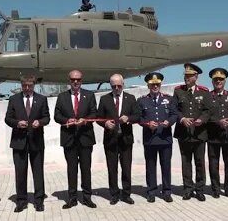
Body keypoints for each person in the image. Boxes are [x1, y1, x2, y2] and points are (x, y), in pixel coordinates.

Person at [5, 75, 50, 212]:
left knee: (38, 172)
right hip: (19, 142)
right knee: (20, 172)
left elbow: (46, 117)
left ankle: (39, 200)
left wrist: (40, 122)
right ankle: (21, 201)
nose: (27, 88)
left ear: (34, 85)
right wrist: (17, 123)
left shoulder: (42, 99)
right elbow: (8, 118)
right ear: (21, 85)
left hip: (36, 141)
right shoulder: (13, 99)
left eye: (30, 85)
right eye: (24, 85)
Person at [54, 70, 97, 209]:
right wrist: (66, 120)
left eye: (78, 79)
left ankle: (87, 197)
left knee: (86, 169)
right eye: (73, 79)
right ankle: (72, 198)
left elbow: (94, 113)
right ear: (69, 81)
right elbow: (56, 115)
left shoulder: (89, 95)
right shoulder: (62, 97)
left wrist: (85, 120)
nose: (75, 82)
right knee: (71, 170)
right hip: (69, 139)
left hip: (85, 138)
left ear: (81, 80)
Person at [97, 74, 140, 205]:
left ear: (123, 84)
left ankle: (126, 194)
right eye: (113, 86)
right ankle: (114, 194)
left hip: (126, 139)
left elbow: (138, 116)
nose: (116, 88)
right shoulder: (105, 99)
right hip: (110, 139)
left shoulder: (131, 98)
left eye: (119, 85)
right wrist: (105, 124)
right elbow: (99, 117)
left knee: (126, 168)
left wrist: (129, 119)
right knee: (112, 168)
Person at [137, 72, 178, 203]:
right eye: (152, 84)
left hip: (165, 138)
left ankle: (167, 191)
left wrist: (169, 122)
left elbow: (174, 114)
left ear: (160, 85)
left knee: (166, 166)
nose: (155, 86)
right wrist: (147, 124)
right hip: (150, 139)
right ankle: (151, 191)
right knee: (150, 166)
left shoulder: (169, 99)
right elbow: (139, 118)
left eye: (157, 84)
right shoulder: (142, 100)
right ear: (148, 85)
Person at [173, 63, 212, 201]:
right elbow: (174, 109)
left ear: (196, 77)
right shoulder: (178, 91)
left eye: (189, 76)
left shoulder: (204, 91)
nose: (186, 78)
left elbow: (208, 110)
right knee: (186, 162)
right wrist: (182, 118)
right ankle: (188, 189)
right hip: (184, 133)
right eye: (185, 76)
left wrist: (201, 120)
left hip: (199, 133)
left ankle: (200, 189)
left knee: (200, 162)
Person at [206, 68, 228, 199]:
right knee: (213, 164)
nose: (218, 82)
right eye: (215, 80)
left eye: (220, 80)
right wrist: (218, 122)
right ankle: (215, 189)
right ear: (212, 81)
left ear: (225, 81)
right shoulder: (208, 97)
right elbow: (205, 115)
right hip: (213, 136)